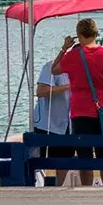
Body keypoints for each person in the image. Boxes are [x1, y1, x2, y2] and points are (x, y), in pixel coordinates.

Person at [57, 17, 103, 188]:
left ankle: (86, 190)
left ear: (79, 35)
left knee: (84, 155)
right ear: (96, 34)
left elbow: (55, 69)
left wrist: (65, 48)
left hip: (81, 110)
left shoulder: (73, 55)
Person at [31, 56, 73, 187]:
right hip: (47, 123)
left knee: (65, 159)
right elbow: (41, 91)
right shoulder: (52, 66)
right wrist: (67, 87)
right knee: (39, 160)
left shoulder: (83, 72)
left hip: (69, 124)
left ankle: (59, 187)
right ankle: (34, 186)